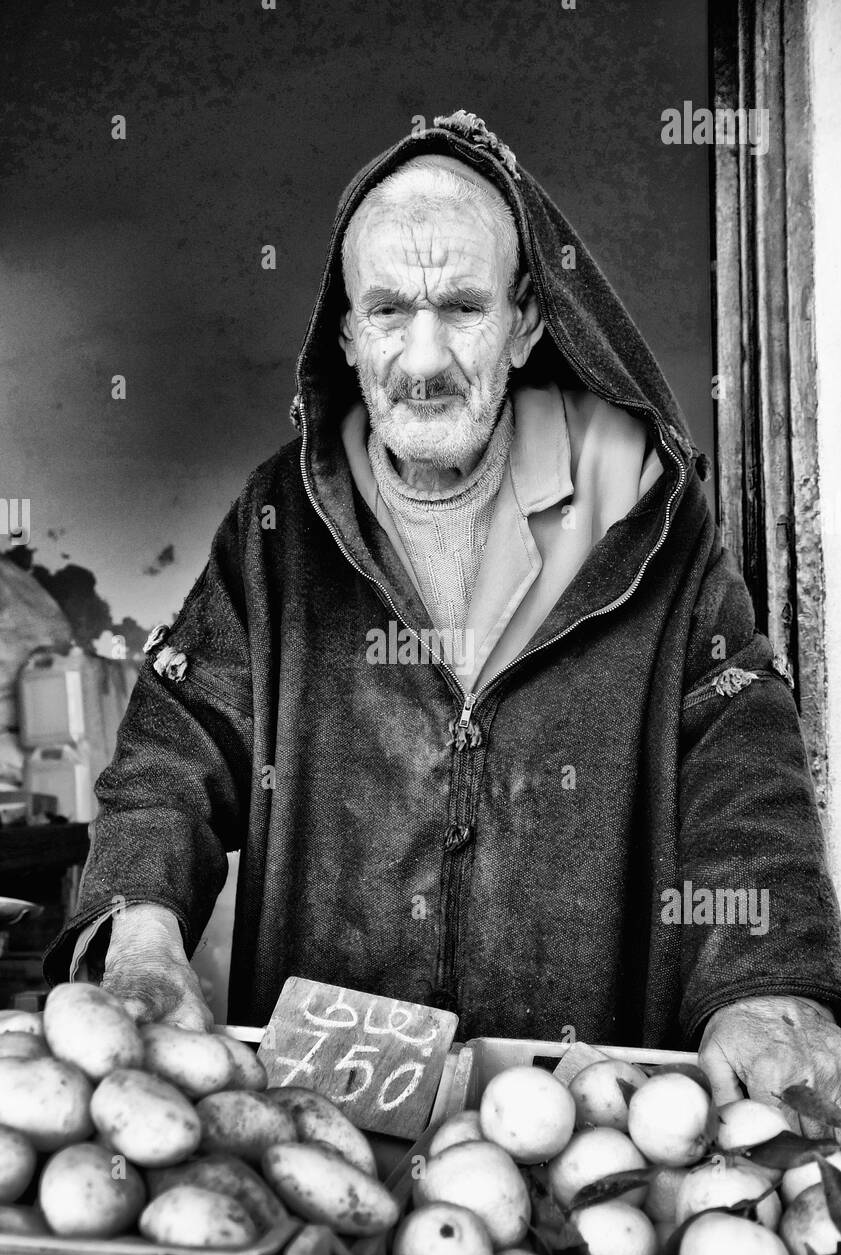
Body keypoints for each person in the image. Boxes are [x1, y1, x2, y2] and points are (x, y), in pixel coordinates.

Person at [46, 111, 841, 1123]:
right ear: (344, 331)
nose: (422, 361)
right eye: (388, 310)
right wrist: (139, 919)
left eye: (461, 306)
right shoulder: (276, 527)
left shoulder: (642, 520)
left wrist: (765, 978)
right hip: (319, 1108)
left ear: (525, 324)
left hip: (575, 1111)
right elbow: (172, 746)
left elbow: (741, 759)